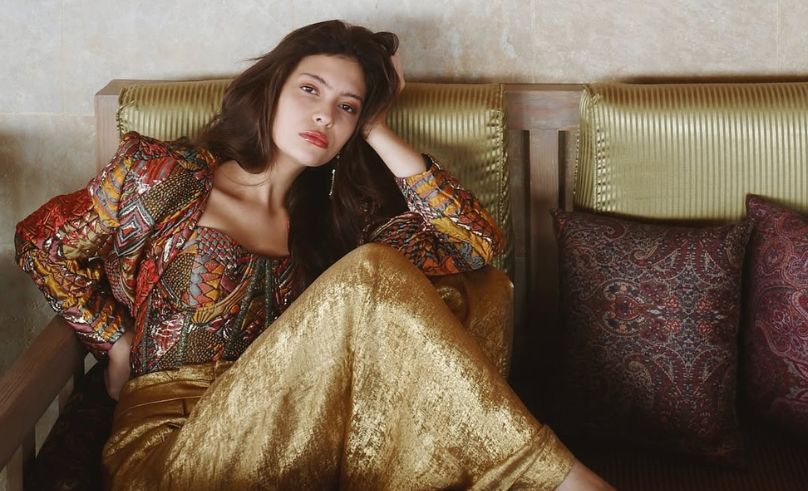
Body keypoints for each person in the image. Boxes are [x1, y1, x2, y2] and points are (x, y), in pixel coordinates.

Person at [15, 19, 612, 490]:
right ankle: (557, 480)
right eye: (310, 89)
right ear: (272, 89)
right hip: (176, 446)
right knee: (375, 271)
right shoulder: (163, 173)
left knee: (479, 290)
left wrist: (377, 127)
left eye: (348, 106)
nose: (326, 114)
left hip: (296, 433)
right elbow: (42, 244)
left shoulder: (340, 223)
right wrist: (115, 341)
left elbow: (477, 246)